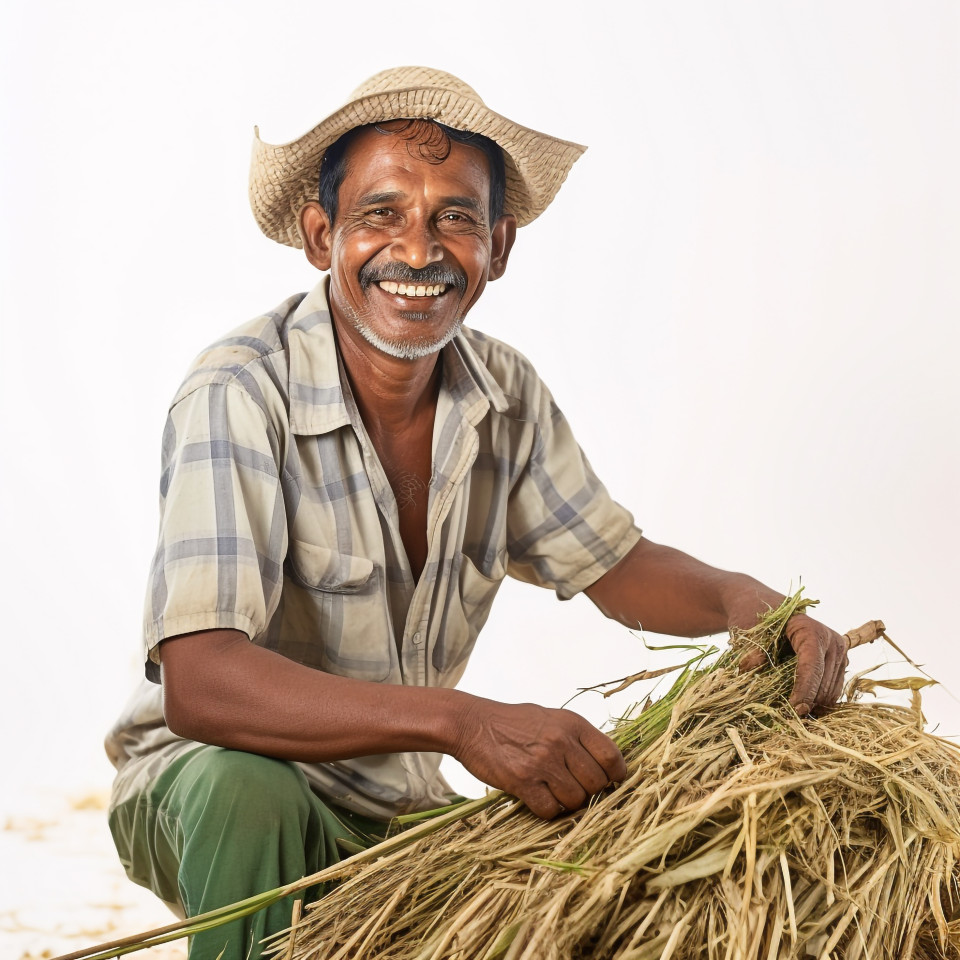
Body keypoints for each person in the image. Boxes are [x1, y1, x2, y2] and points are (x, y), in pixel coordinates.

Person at [105, 65, 849, 959]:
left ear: (497, 246)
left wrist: (750, 603)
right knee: (245, 792)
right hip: (208, 788)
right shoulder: (238, 390)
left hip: (397, 804)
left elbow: (615, 566)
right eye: (381, 213)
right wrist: (462, 722)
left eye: (454, 218)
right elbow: (202, 683)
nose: (418, 251)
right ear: (319, 235)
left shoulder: (506, 396)